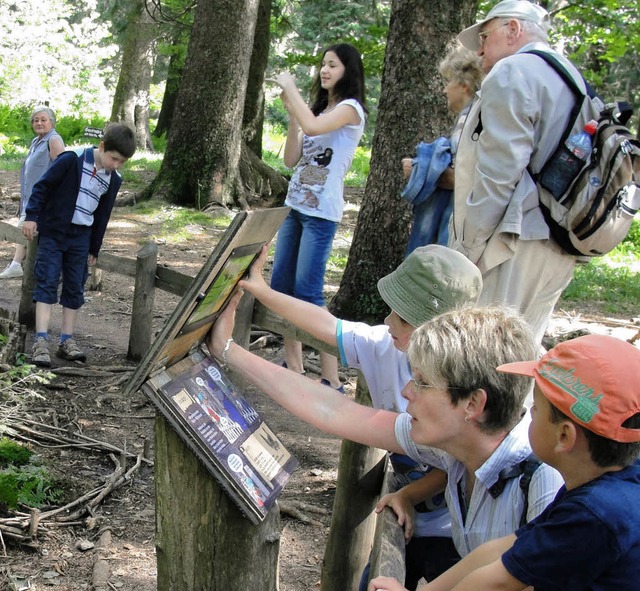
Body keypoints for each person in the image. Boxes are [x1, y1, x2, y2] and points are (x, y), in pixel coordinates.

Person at [208, 300, 564, 583]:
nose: (407, 392)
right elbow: (335, 412)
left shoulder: (546, 483)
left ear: (473, 404)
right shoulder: (458, 441)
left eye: (423, 383)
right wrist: (228, 350)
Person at [240, 243, 483, 589]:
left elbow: (462, 458)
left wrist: (412, 494)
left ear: (428, 330)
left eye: (398, 315)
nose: (386, 321)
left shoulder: (456, 390)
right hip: (412, 513)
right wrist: (261, 290)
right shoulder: (386, 345)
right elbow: (327, 326)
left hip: (457, 534)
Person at [370, 334, 640, 591]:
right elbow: (502, 550)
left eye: (535, 409)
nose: (527, 414)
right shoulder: (606, 485)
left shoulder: (593, 515)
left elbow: (498, 582)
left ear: (564, 436)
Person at [449, 0, 584, 344]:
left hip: (512, 241)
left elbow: (498, 174)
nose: (480, 50)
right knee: (522, 351)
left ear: (513, 29)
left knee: (484, 352)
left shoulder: (513, 72)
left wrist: (468, 251)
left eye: (485, 36)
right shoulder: (570, 78)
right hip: (558, 242)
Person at [269, 42, 366, 391]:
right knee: (282, 286)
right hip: (295, 207)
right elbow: (292, 159)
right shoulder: (317, 111)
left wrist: (291, 91)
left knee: (309, 291)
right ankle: (293, 367)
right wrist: (294, 113)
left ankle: (332, 377)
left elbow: (313, 128)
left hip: (321, 214)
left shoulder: (351, 110)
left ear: (348, 72)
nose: (325, 70)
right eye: (323, 64)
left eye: (334, 65)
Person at [22, 122, 136, 367]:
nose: (116, 165)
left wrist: (94, 247)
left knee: (75, 286)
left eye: (121, 162)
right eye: (114, 158)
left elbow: (103, 215)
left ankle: (66, 340)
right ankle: (41, 340)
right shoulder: (71, 159)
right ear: (102, 146)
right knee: (48, 280)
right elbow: (42, 187)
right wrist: (31, 216)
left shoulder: (114, 179)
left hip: (81, 237)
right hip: (54, 231)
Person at [401, 46, 482, 253]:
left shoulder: (474, 121)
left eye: (448, 82)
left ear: (464, 85)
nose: (445, 89)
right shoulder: (466, 119)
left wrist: (422, 171)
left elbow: (468, 176)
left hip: (456, 222)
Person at [0, 106, 65, 279]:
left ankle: (16, 265)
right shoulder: (36, 141)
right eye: (36, 120)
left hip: (44, 197)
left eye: (43, 120)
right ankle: (31, 266)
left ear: (52, 122)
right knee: (31, 232)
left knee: (25, 228)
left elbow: (62, 169)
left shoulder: (54, 140)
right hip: (30, 196)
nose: (39, 123)